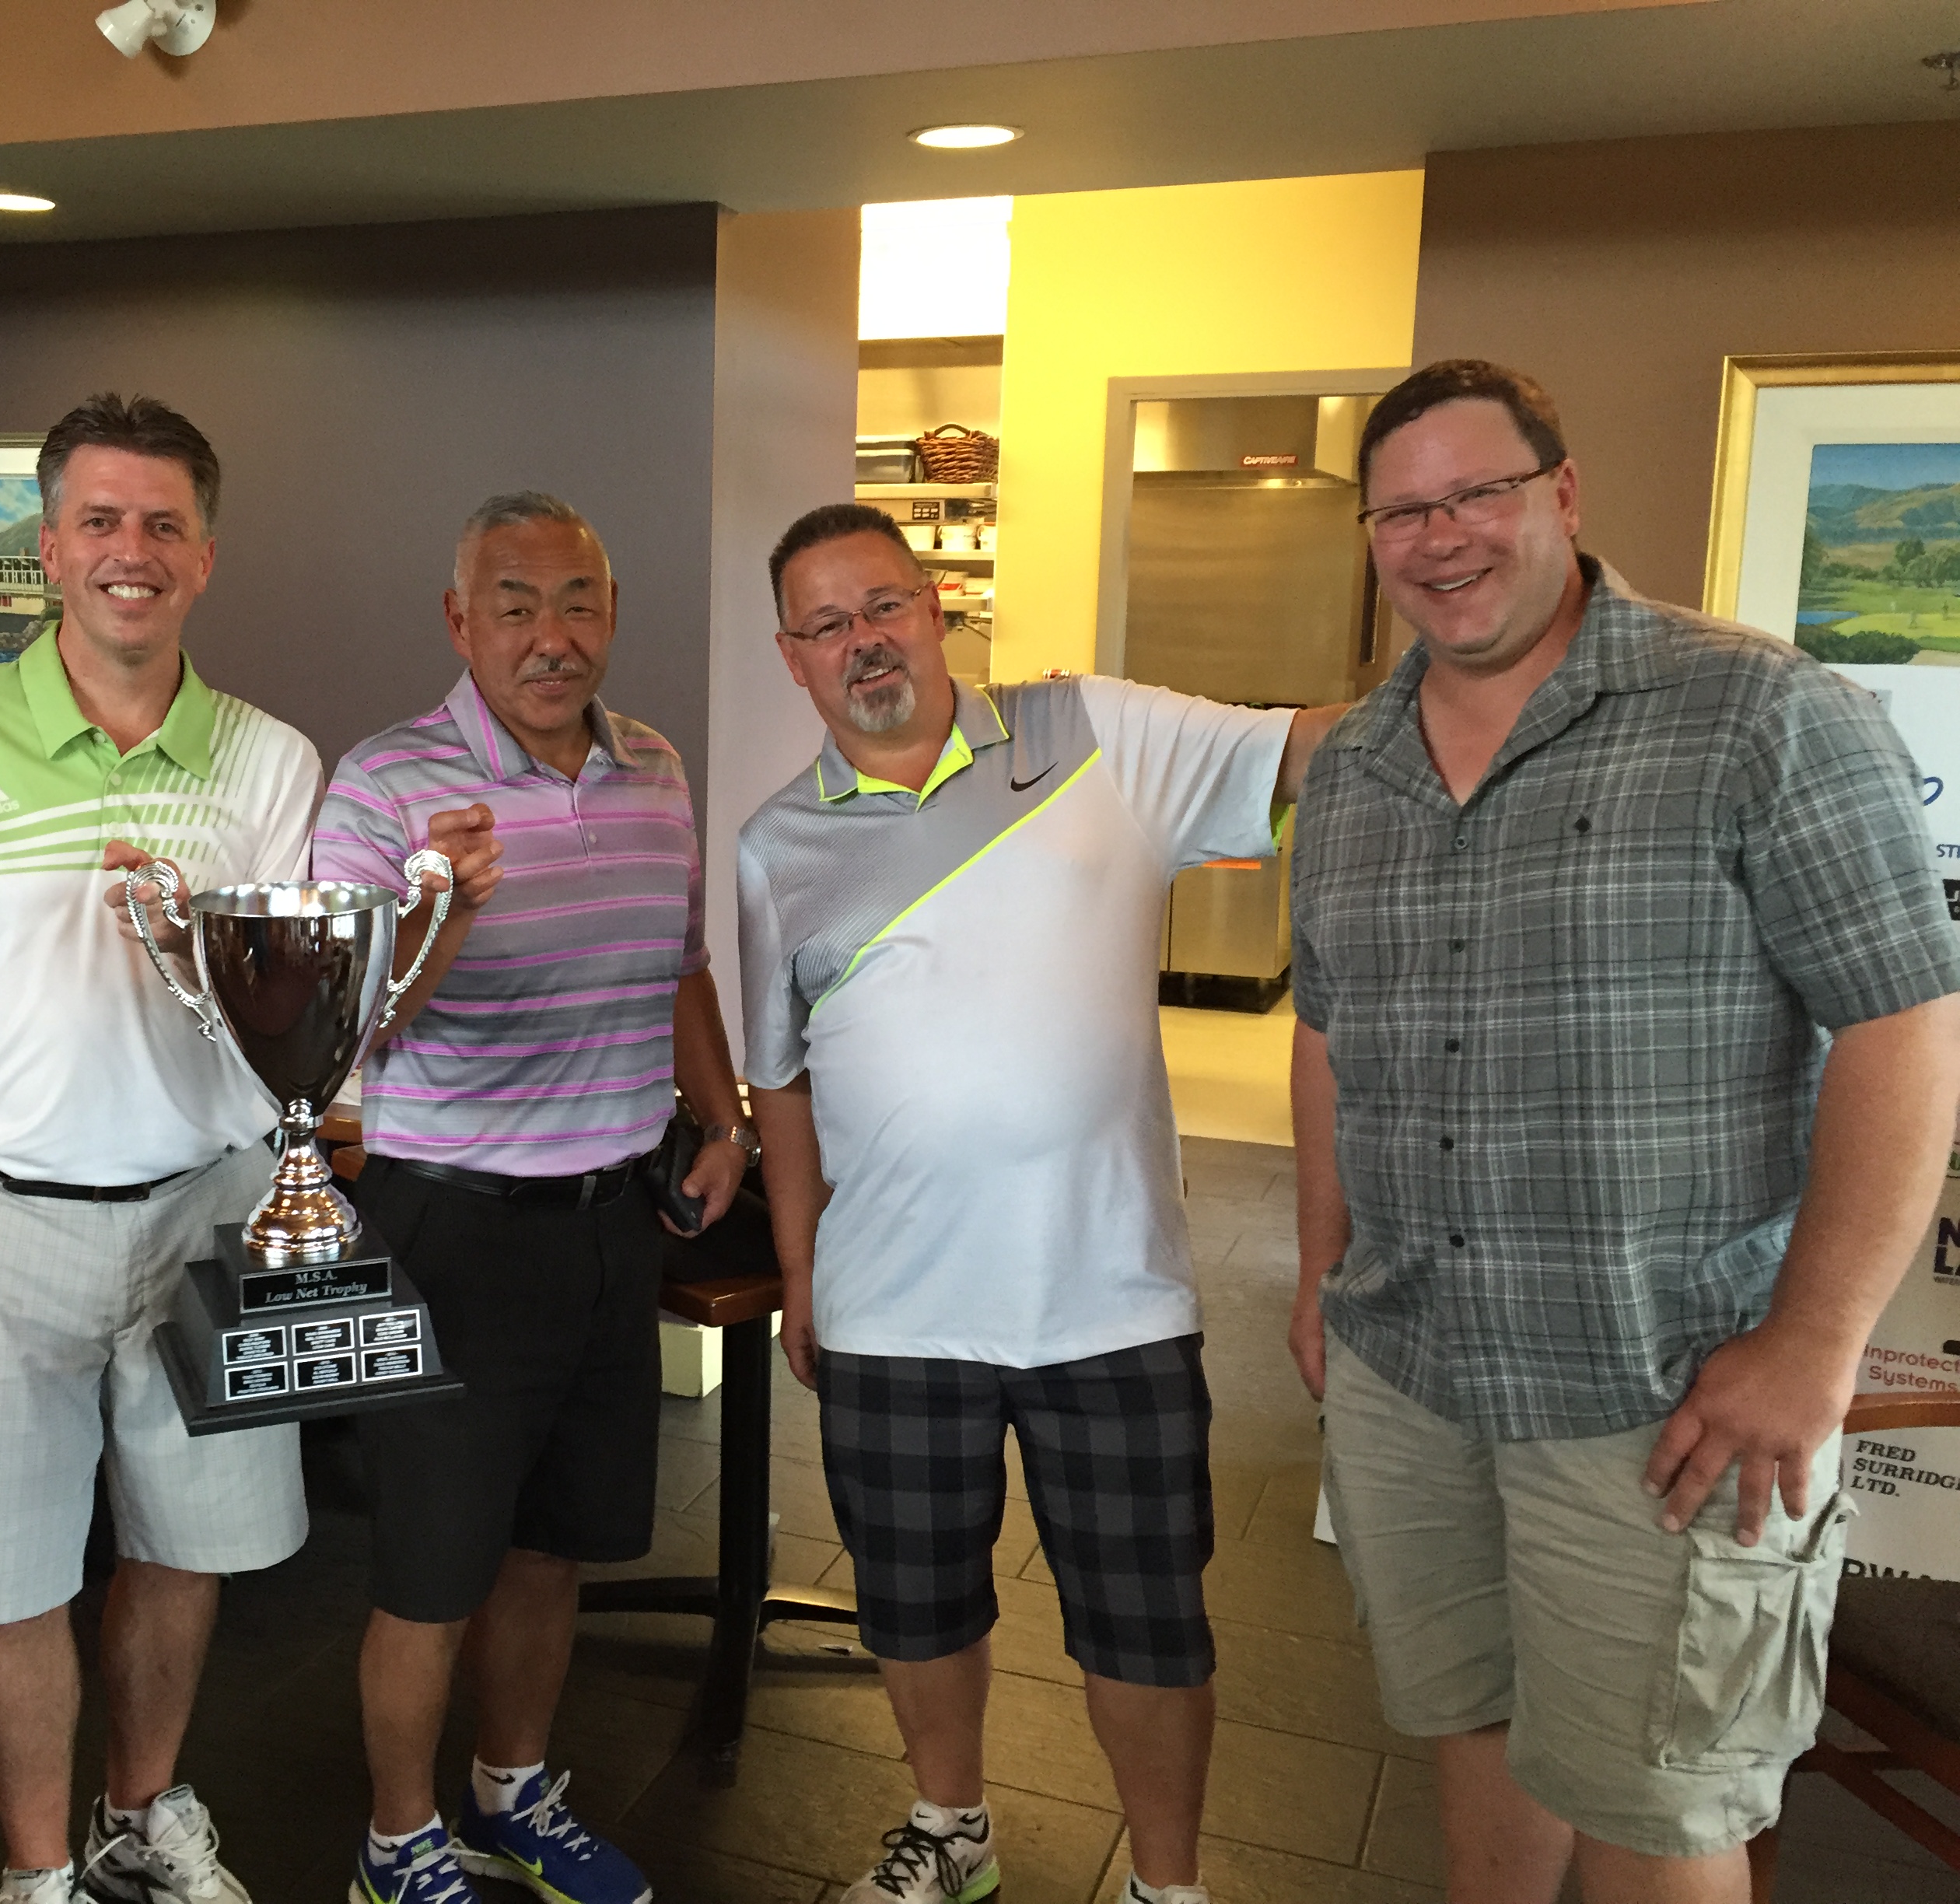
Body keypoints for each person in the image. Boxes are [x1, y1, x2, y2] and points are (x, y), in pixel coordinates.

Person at [1286, 359, 1960, 1904]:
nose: (1441, 537)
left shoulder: (1762, 714)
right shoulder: (1357, 769)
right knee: (1470, 1716)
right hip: (1413, 1366)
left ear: (1564, 495)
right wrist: (1323, 1265)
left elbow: (1906, 1023)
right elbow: (1328, 1031)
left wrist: (1814, 1345)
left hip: (1654, 1391)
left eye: (1480, 493)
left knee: (1659, 1801)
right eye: (1402, 511)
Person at [736, 502, 1341, 1904]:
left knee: (1146, 1622)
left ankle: (1167, 1884)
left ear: (935, 604)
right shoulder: (776, 847)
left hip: (1108, 1298)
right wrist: (802, 1273)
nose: (862, 642)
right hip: (892, 1308)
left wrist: (1493, 646)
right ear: (791, 656)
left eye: (883, 605)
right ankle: (951, 1829)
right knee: (915, 1605)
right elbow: (781, 1082)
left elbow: (1312, 746)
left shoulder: (1093, 733)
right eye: (825, 624)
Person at [0, 394, 322, 1904]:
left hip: (210, 1210)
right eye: (100, 520)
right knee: (3, 1575)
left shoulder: (272, 763)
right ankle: (39, 1877)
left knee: (186, 1546)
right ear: (49, 547)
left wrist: (200, 944)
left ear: (205, 556)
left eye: (163, 523)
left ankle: (140, 1818)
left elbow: (299, 1014)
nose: (129, 550)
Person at [310, 491, 750, 1904]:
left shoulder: (656, 768)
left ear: (611, 614)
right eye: (515, 606)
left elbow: (681, 967)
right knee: (432, 1570)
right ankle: (398, 1844)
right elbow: (345, 1027)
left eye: (577, 603)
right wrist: (441, 912)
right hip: (452, 1228)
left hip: (611, 1225)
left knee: (556, 1546)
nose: (550, 636)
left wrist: (726, 1118)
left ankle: (511, 1796)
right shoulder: (384, 784)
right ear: (461, 621)